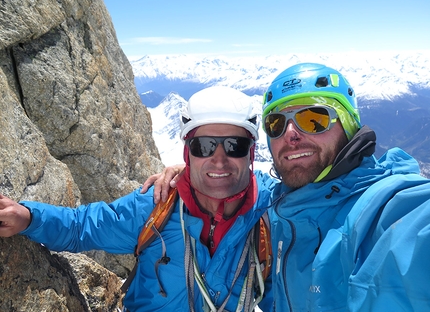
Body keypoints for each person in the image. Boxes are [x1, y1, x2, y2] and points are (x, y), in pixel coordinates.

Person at [148, 63, 430, 311]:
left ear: (348, 125)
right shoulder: (275, 202)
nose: (292, 134)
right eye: (277, 123)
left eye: (314, 119)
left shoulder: (386, 209)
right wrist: (200, 171)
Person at [0, 86, 275, 312]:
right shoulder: (157, 206)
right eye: (202, 146)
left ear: (251, 154)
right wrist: (29, 217)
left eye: (234, 146)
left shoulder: (272, 210)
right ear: (186, 154)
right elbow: (81, 227)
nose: (218, 159)